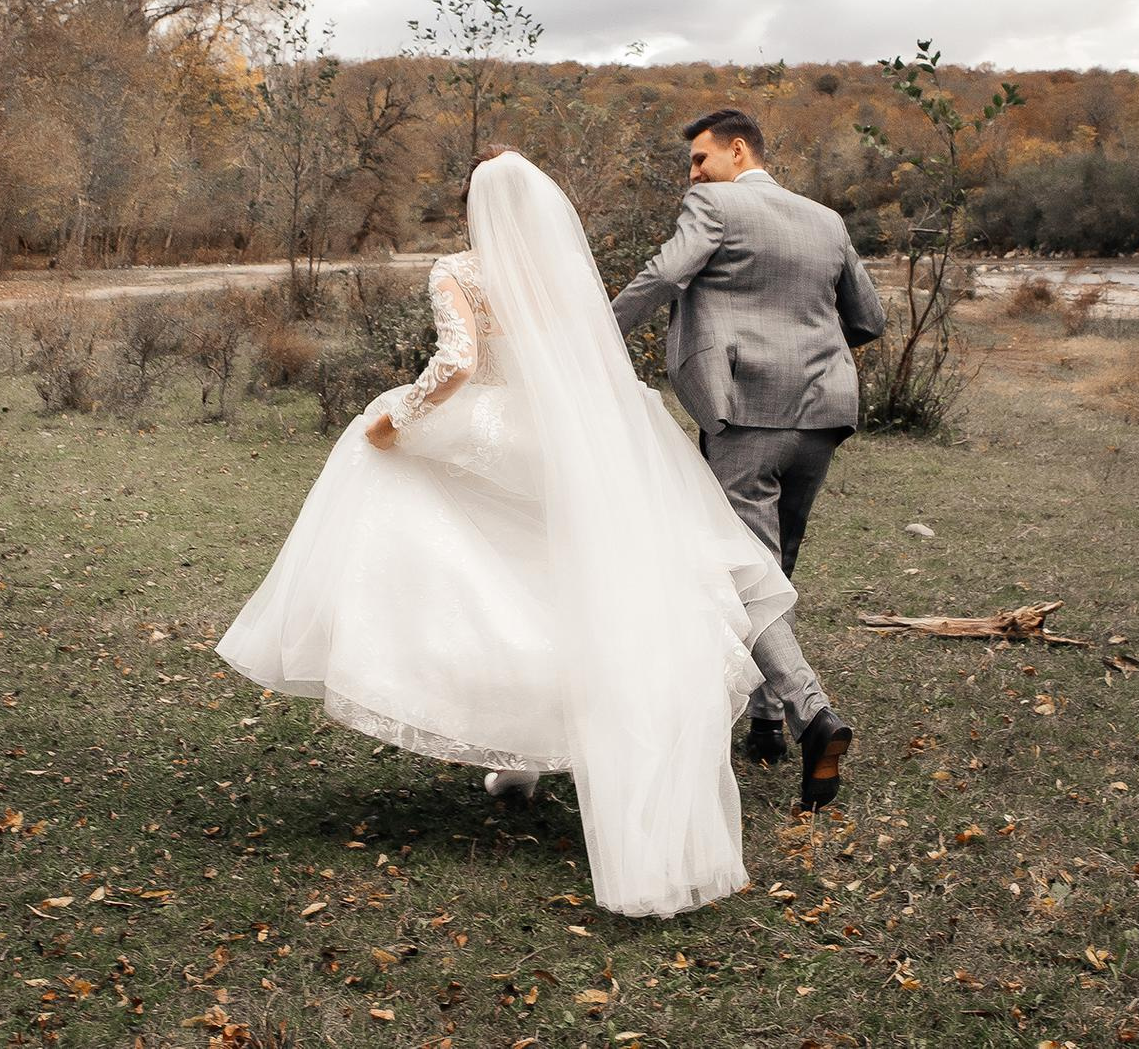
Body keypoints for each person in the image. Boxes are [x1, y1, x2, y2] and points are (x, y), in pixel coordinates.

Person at [217, 148, 835, 918]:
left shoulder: (458, 270)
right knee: (561, 583)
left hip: (494, 435)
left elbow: (458, 361)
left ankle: (464, 699)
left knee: (408, 490)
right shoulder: (562, 272)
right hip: (569, 444)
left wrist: (395, 420)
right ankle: (524, 765)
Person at [611, 106, 885, 775]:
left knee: (743, 574)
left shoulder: (716, 205)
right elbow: (869, 316)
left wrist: (594, 328)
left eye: (700, 158)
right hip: (822, 412)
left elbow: (665, 275)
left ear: (738, 151)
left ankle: (811, 712)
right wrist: (808, 355)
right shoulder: (827, 219)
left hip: (746, 411)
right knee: (774, 562)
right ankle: (764, 725)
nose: (693, 173)